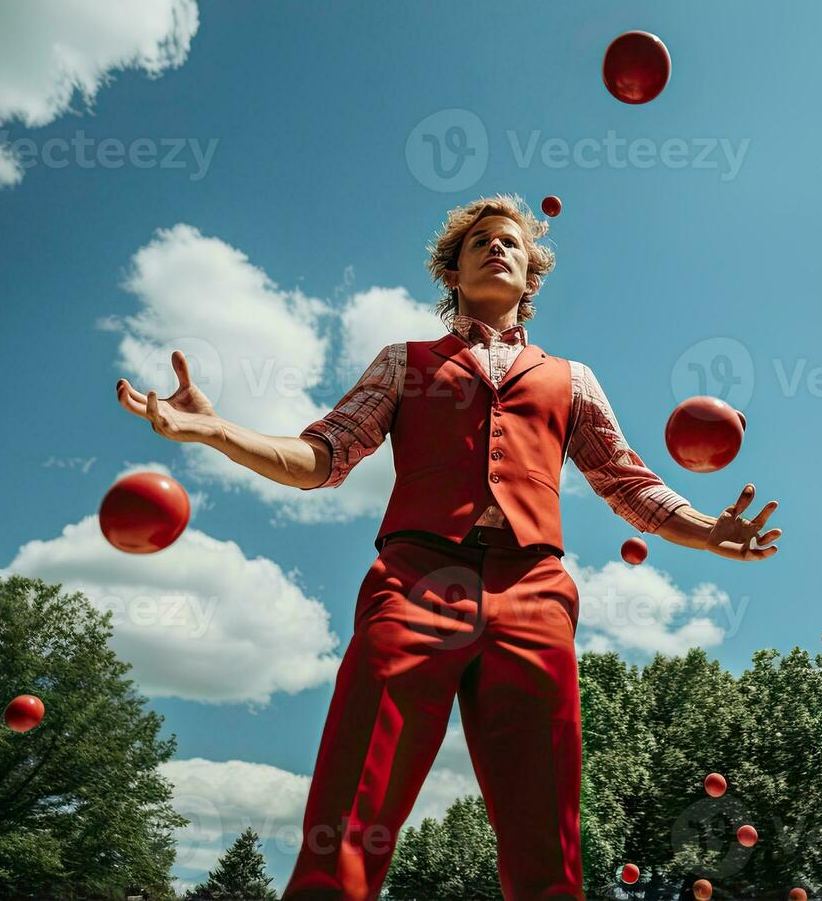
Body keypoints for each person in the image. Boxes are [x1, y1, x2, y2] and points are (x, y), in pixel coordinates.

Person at [115, 193, 782, 900]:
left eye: (511, 244)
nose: (497, 248)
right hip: (414, 579)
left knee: (543, 825)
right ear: (453, 275)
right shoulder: (403, 363)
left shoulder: (573, 380)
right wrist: (217, 432)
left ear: (530, 279)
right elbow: (324, 456)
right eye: (479, 243)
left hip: (535, 590)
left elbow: (626, 483)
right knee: (353, 797)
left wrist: (705, 530)